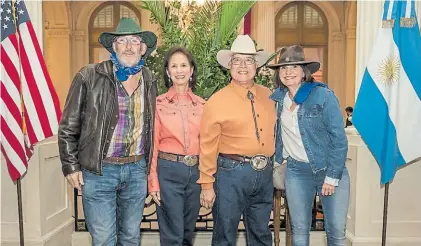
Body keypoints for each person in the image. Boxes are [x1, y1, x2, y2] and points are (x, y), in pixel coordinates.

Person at [58, 17, 157, 246]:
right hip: (100, 171)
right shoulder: (89, 75)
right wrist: (71, 166)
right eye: (123, 41)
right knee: (103, 240)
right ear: (113, 46)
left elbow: (152, 127)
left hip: (136, 170)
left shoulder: (149, 80)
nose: (129, 46)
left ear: (143, 48)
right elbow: (68, 125)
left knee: (131, 238)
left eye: (135, 41)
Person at [198, 35, 276, 246]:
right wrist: (207, 184)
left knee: (261, 233)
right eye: (237, 60)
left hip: (264, 173)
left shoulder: (270, 97)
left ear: (256, 65)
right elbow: (207, 146)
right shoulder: (216, 101)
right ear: (229, 66)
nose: (243, 66)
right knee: (225, 234)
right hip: (230, 174)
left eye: (248, 60)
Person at [268, 45, 350, 246]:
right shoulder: (277, 100)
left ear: (304, 72)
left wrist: (332, 176)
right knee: (299, 233)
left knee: (336, 233)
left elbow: (339, 139)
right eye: (283, 68)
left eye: (294, 67)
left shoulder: (323, 95)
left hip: (328, 170)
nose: (288, 72)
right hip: (297, 172)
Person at [148, 47, 205, 246]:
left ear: (191, 70)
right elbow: (152, 145)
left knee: (187, 233)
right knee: (172, 234)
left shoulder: (202, 105)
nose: (179, 70)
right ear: (167, 72)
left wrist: (207, 179)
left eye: (183, 65)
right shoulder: (157, 104)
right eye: (174, 66)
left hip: (195, 172)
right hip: (168, 171)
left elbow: (207, 145)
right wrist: (153, 180)